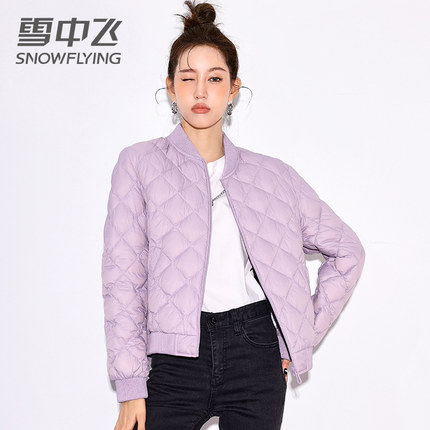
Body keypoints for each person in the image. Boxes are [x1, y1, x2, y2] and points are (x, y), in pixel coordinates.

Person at [101, 1, 365, 429]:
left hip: (255, 351)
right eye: (188, 78)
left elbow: (348, 251)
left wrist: (296, 337)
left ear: (233, 88)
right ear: (171, 88)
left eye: (214, 78)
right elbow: (123, 278)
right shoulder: (139, 164)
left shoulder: (273, 176)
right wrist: (131, 384)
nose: (200, 91)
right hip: (171, 360)